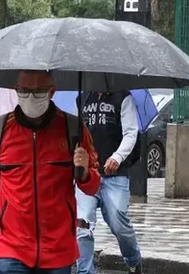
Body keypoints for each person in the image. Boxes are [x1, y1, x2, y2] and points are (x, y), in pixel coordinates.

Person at [0, 71, 101, 274]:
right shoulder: (0, 129)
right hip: (12, 247)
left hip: (58, 249)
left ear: (51, 92)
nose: (30, 97)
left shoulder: (73, 129)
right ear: (16, 90)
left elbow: (93, 187)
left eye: (38, 91)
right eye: (24, 90)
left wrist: (84, 172)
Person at [75, 91, 143, 274]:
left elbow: (130, 133)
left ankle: (133, 260)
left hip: (115, 175)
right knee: (82, 227)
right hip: (87, 175)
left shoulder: (123, 98)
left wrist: (117, 157)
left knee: (118, 222)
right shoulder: (82, 99)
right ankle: (86, 271)